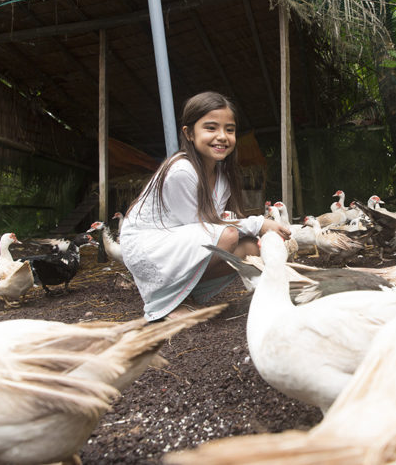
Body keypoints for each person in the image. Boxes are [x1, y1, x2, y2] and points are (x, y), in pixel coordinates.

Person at [120, 91, 290, 321]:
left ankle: (184, 297)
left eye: (229, 130)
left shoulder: (222, 174)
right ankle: (165, 304)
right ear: (189, 133)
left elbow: (206, 229)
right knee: (227, 237)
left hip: (180, 243)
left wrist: (257, 228)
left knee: (251, 250)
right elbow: (205, 228)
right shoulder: (181, 171)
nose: (222, 136)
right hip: (149, 247)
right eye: (211, 128)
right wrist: (259, 222)